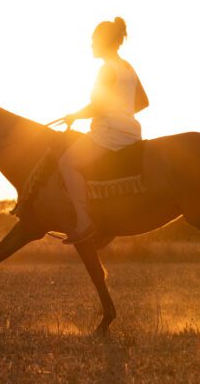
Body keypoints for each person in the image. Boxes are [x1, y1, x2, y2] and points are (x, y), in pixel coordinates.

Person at [59, 17, 149, 244]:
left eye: (93, 40)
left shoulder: (106, 69)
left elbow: (97, 106)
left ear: (103, 41)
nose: (91, 44)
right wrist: (122, 111)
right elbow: (143, 102)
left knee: (66, 163)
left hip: (108, 134)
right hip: (132, 133)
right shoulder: (127, 67)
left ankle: (84, 223)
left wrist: (74, 116)